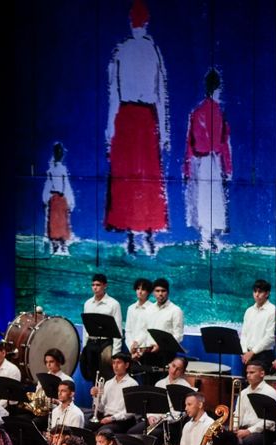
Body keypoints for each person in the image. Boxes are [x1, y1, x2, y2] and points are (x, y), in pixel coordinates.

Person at [104, 0, 169, 256]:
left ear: (132, 21)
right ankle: (147, 236)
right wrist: (163, 130)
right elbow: (161, 94)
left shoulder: (122, 51)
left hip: (128, 118)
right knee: (146, 178)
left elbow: (114, 94)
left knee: (132, 177)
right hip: (143, 118)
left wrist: (110, 129)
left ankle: (133, 235)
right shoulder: (152, 51)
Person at [184, 68, 232, 254]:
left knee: (202, 199)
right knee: (214, 199)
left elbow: (190, 142)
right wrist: (228, 167)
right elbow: (224, 141)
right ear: (217, 89)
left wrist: (188, 167)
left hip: (199, 161)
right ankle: (211, 239)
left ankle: (206, 239)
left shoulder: (197, 112)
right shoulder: (219, 112)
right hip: (213, 160)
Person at [234, 360, 276, 445]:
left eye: (252, 372)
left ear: (262, 374)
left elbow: (270, 421)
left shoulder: (270, 392)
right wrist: (234, 428)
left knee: (242, 443)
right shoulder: (244, 392)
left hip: (264, 433)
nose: (248, 375)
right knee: (224, 437)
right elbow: (237, 414)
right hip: (244, 429)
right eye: (247, 373)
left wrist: (248, 431)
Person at [82, 273, 124, 372]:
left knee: (106, 371)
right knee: (91, 372)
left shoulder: (113, 304)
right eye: (93, 285)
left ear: (105, 286)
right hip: (91, 342)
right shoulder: (87, 304)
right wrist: (84, 347)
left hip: (106, 342)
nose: (95, 288)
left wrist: (116, 353)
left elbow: (118, 329)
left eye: (98, 285)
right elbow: (85, 327)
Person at [89, 352, 139, 430]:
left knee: (103, 431)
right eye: (113, 363)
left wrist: (112, 418)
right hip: (106, 417)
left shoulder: (132, 384)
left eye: (118, 363)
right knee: (86, 426)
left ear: (126, 365)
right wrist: (96, 396)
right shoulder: (108, 383)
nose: (115, 366)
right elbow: (101, 408)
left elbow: (131, 412)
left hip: (122, 420)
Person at [42, 141, 75, 256]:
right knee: (54, 224)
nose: (59, 154)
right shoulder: (51, 170)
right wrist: (45, 199)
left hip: (61, 200)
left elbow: (66, 186)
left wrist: (70, 201)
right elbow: (48, 185)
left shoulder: (62, 169)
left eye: (60, 152)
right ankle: (56, 248)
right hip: (54, 200)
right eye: (57, 152)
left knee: (62, 224)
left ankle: (63, 247)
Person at [241, 279, 276, 369]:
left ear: (267, 294)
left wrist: (252, 352)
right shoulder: (249, 311)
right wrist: (245, 352)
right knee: (245, 382)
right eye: (255, 291)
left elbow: (270, 337)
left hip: (263, 356)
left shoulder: (273, 311)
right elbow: (244, 334)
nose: (256, 294)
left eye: (260, 292)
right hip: (247, 355)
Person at [147, 279, 185, 352]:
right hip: (149, 350)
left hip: (167, 352)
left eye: (163, 291)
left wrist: (161, 345)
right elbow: (145, 331)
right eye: (157, 291)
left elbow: (178, 336)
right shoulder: (149, 309)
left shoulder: (176, 310)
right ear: (153, 293)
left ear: (168, 292)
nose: (160, 294)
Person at [125, 278, 154, 358]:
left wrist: (137, 343)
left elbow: (148, 331)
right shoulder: (131, 308)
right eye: (138, 289)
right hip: (131, 350)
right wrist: (131, 346)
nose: (140, 292)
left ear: (148, 292)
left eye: (143, 289)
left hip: (146, 350)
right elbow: (128, 330)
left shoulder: (152, 309)